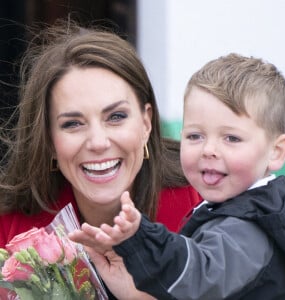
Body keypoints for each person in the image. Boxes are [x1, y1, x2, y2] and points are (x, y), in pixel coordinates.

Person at [71, 53, 285, 299]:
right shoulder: (248, 206)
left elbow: (199, 276)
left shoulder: (249, 229)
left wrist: (142, 237)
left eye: (231, 138)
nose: (208, 150)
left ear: (276, 152)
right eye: (195, 136)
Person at [0, 20, 202, 299]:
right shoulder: (10, 227)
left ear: (146, 123)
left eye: (116, 117)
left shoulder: (203, 204)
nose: (98, 142)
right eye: (72, 123)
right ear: (48, 140)